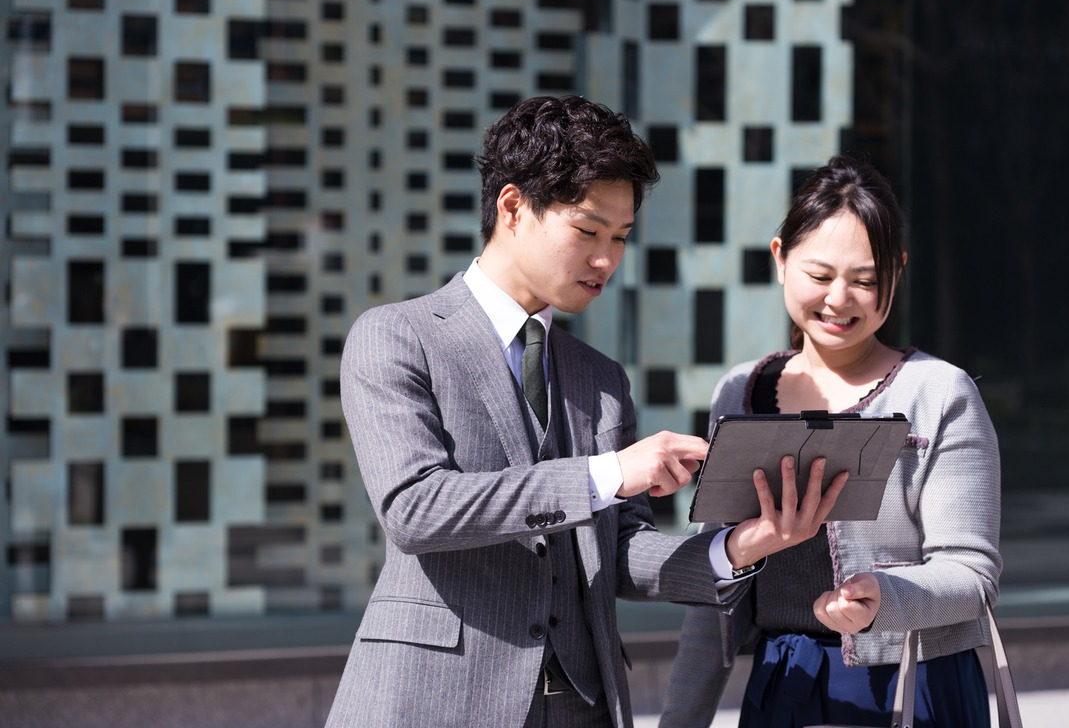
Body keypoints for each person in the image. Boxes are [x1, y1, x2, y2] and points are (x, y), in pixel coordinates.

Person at [324, 95, 847, 728]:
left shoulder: (600, 378)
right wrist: (607, 474)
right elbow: (415, 509)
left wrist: (746, 545)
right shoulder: (398, 337)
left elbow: (622, 553)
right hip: (432, 699)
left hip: (584, 704)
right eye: (588, 232)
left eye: (621, 237)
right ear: (512, 207)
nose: (607, 260)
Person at [659, 155, 1002, 728]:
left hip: (912, 682)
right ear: (780, 260)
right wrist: (680, 719)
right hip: (784, 679)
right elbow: (715, 586)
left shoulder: (939, 392)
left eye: (866, 281)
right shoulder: (741, 392)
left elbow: (972, 574)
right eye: (820, 276)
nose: (839, 300)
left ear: (897, 271)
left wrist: (881, 598)